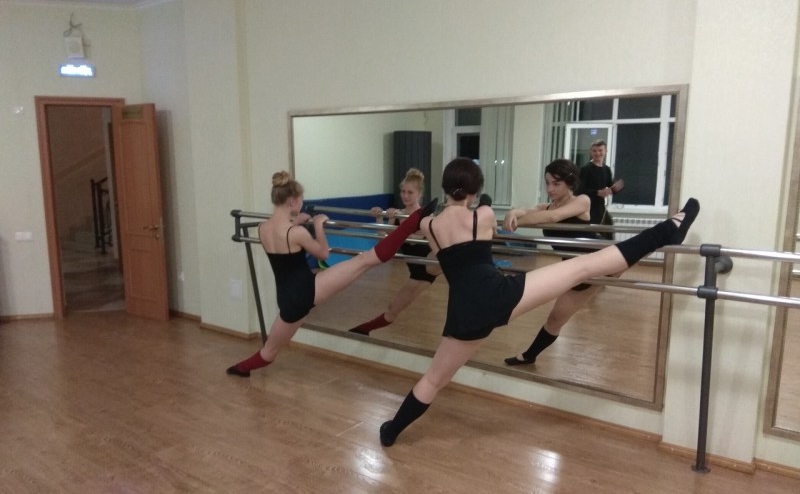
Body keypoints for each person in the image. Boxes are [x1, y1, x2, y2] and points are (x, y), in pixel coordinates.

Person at [379, 157, 699, 447]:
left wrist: (422, 214)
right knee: (583, 266)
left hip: (464, 312)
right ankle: (667, 230)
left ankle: (391, 430)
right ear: (475, 191)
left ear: (445, 187)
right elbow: (493, 230)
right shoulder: (484, 214)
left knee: (434, 379)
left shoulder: (430, 226)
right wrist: (500, 211)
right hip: (501, 296)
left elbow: (427, 231)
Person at [226, 170, 438, 377]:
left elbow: (283, 234)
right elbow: (323, 253)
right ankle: (415, 219)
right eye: (301, 200)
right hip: (307, 290)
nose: (301, 204)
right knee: (365, 260)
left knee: (269, 352)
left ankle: (238, 369)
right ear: (292, 201)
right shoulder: (296, 232)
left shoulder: (263, 228)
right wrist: (318, 225)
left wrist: (296, 221)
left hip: (287, 299)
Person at [501, 159, 614, 366]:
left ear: (570, 183)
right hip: (574, 269)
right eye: (547, 183)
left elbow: (552, 217)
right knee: (555, 319)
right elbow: (526, 211)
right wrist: (511, 214)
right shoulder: (547, 205)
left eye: (556, 183)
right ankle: (529, 356)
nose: (549, 189)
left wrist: (509, 224)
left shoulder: (582, 201)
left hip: (596, 263)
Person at [348, 168, 441, 336]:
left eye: (410, 192)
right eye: (403, 191)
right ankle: (362, 330)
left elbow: (417, 239)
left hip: (430, 262)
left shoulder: (427, 216)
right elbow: (384, 240)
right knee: (392, 310)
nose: (405, 196)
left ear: (420, 194)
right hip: (417, 273)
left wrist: (402, 227)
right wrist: (380, 216)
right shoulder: (398, 215)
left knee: (444, 254)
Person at [579, 140, 624, 240]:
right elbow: (579, 190)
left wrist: (616, 188)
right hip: (588, 209)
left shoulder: (606, 169)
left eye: (600, 150)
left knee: (609, 230)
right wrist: (597, 192)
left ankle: (610, 250)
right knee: (593, 235)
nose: (597, 153)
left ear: (605, 151)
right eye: (594, 151)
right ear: (591, 152)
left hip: (600, 208)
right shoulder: (586, 169)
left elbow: (610, 186)